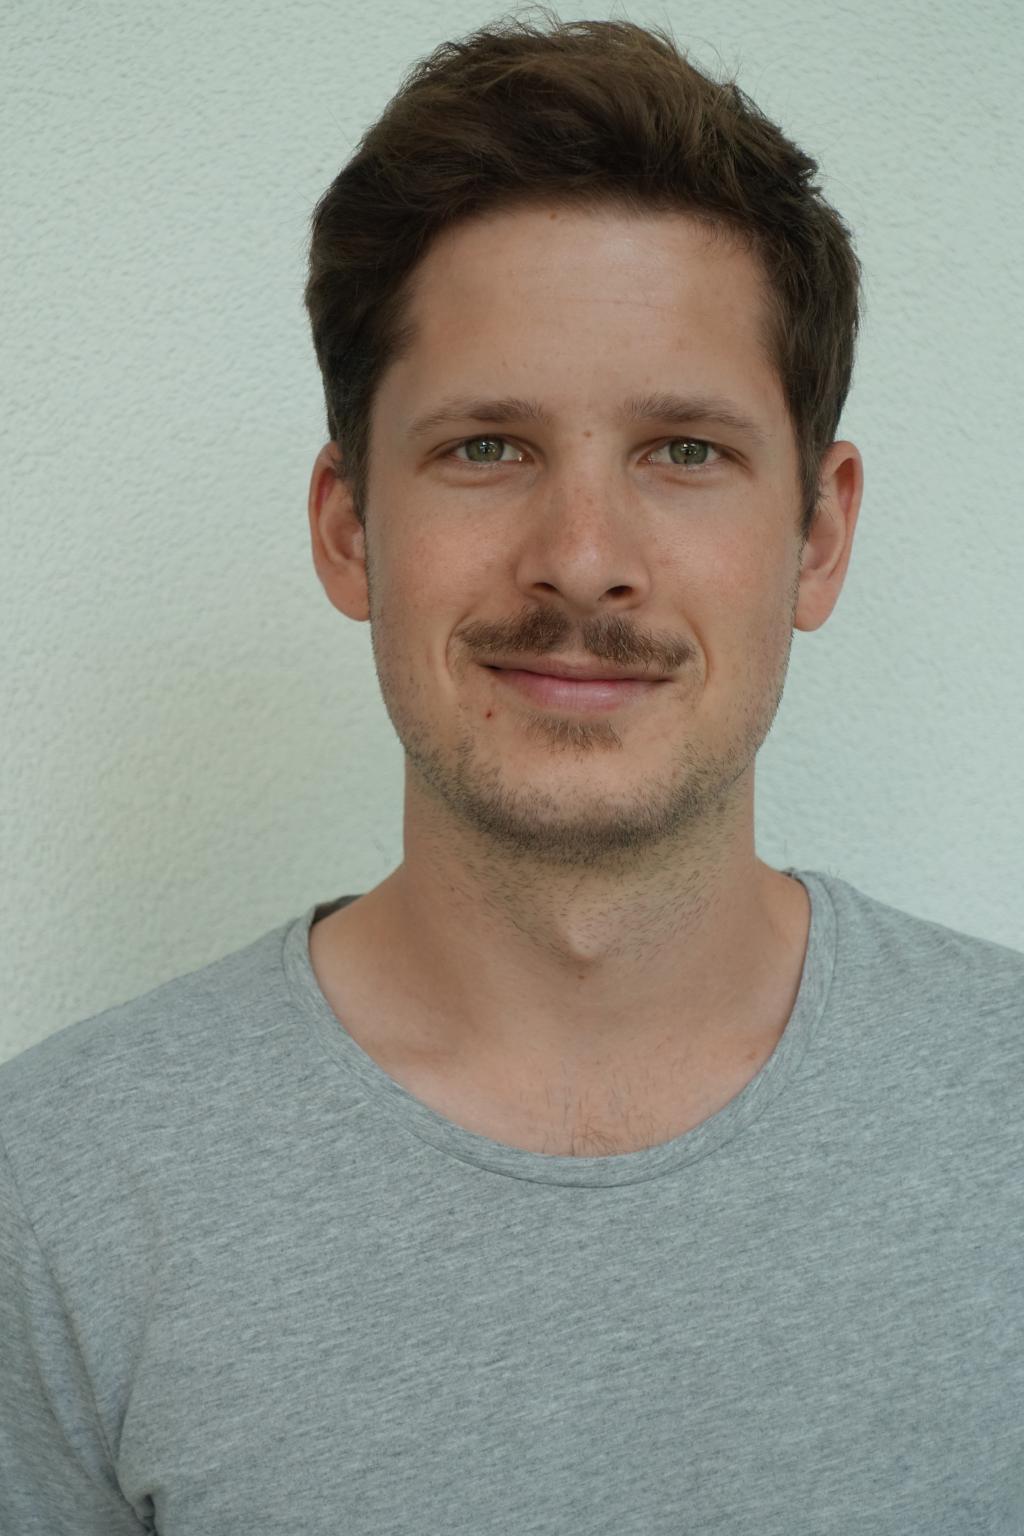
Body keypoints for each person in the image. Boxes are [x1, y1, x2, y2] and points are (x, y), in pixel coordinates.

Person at [2, 12, 1021, 1533]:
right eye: (487, 447)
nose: (584, 559)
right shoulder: (57, 1191)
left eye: (685, 451)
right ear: (350, 528)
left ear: (817, 536)